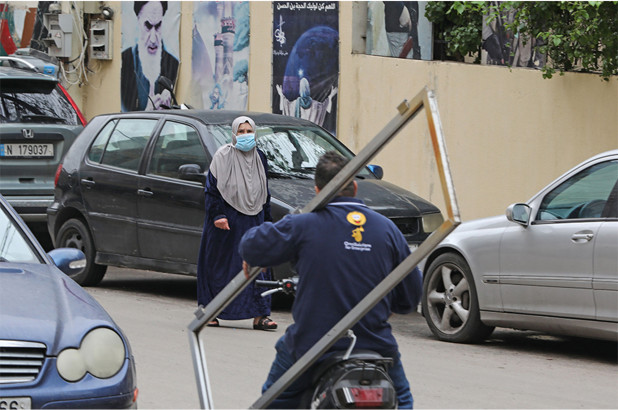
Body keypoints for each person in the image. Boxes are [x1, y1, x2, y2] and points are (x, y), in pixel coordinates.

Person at [239, 151, 422, 408]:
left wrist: (258, 251)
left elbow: (251, 245)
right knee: (401, 401)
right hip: (376, 346)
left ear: (317, 190)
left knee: (274, 402)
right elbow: (410, 296)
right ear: (355, 187)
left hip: (311, 346)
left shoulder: (303, 224)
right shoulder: (387, 229)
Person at [197, 116, 277, 331]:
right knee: (221, 267)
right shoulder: (223, 156)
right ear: (233, 134)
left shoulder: (260, 157)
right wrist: (218, 215)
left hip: (255, 216)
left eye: (249, 131)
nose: (245, 135)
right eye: (241, 132)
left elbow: (264, 191)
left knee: (257, 264)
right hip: (226, 221)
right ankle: (211, 311)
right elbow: (211, 189)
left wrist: (267, 220)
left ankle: (261, 315)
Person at [121, 1, 180, 112]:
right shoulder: (125, 61)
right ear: (138, 20)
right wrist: (147, 114)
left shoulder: (172, 64)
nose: (153, 39)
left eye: (158, 26)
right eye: (148, 26)